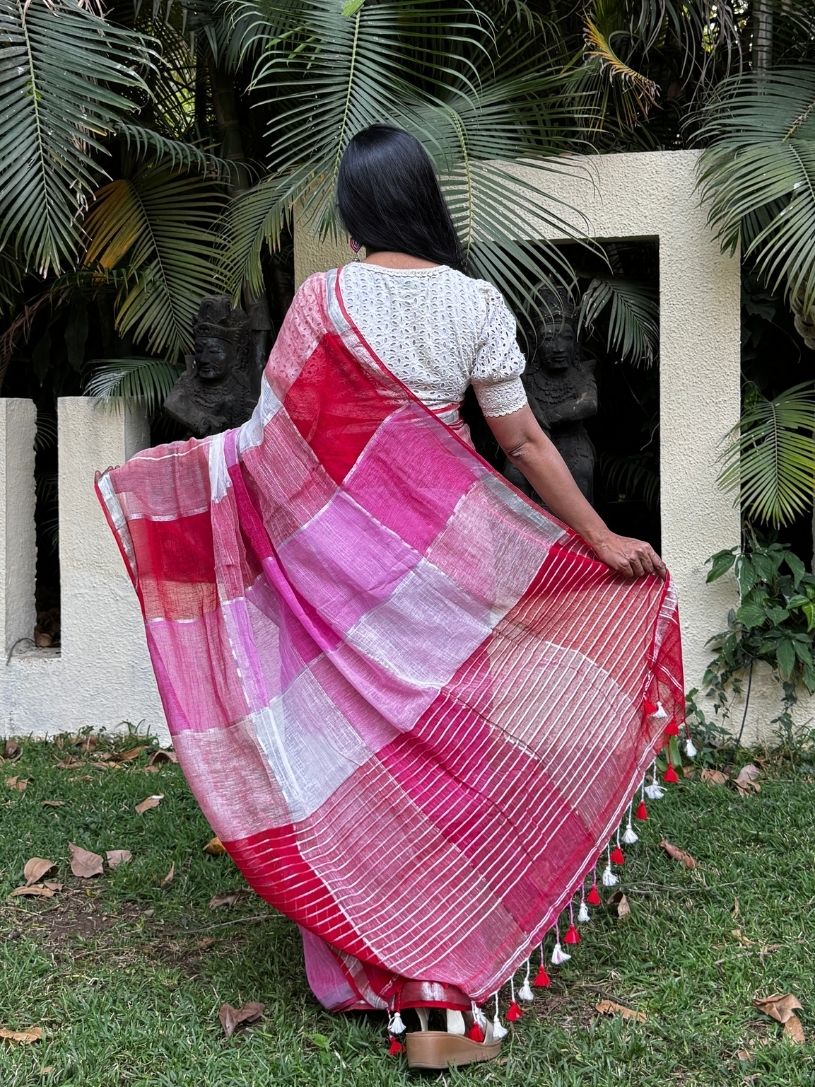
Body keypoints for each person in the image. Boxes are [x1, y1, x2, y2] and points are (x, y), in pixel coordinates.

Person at [96, 125, 684, 1071]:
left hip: (343, 571)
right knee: (450, 756)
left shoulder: (322, 301)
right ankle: (441, 989)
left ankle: (382, 970)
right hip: (455, 562)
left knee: (355, 759)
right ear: (425, 200)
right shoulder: (475, 303)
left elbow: (268, 447)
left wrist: (177, 485)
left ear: (359, 209)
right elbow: (528, 447)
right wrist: (598, 537)